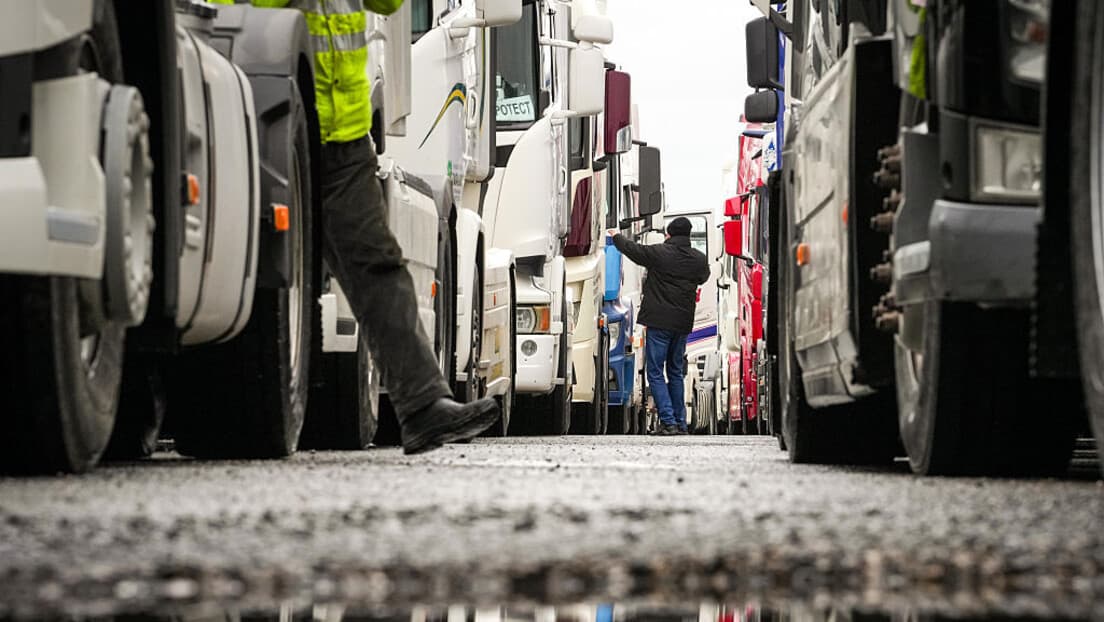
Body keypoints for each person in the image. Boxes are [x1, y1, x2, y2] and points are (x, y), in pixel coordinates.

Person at [211, 0, 500, 453]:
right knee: (262, 267)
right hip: (272, 117)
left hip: (343, 135)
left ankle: (423, 405)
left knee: (378, 265)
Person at [609, 217, 710, 435]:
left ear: (669, 234)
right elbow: (703, 277)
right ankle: (680, 423)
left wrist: (616, 237)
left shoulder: (659, 253)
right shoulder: (699, 259)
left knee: (655, 371)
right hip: (682, 323)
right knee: (675, 371)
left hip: (658, 322)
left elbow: (633, 250)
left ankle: (668, 421)